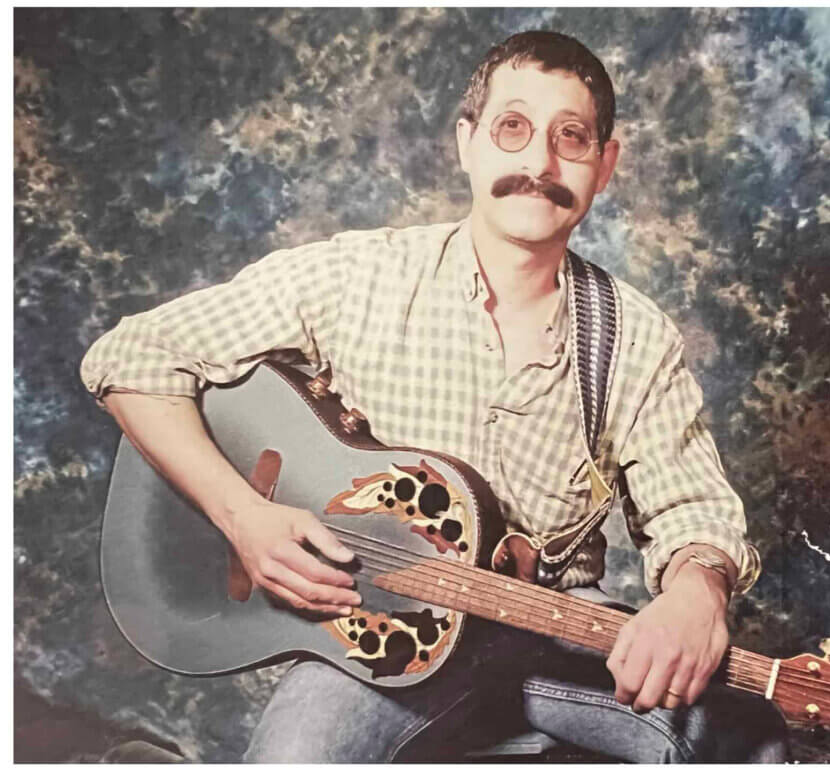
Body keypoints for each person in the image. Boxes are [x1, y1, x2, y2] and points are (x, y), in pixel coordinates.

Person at [80, 30, 787, 762]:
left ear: (605, 165)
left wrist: (696, 593)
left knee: (745, 744)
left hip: (550, 628)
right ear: (468, 141)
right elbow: (130, 357)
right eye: (512, 128)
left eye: (570, 138)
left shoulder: (636, 336)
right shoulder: (356, 277)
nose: (538, 164)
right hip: (382, 640)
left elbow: (692, 508)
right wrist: (245, 516)